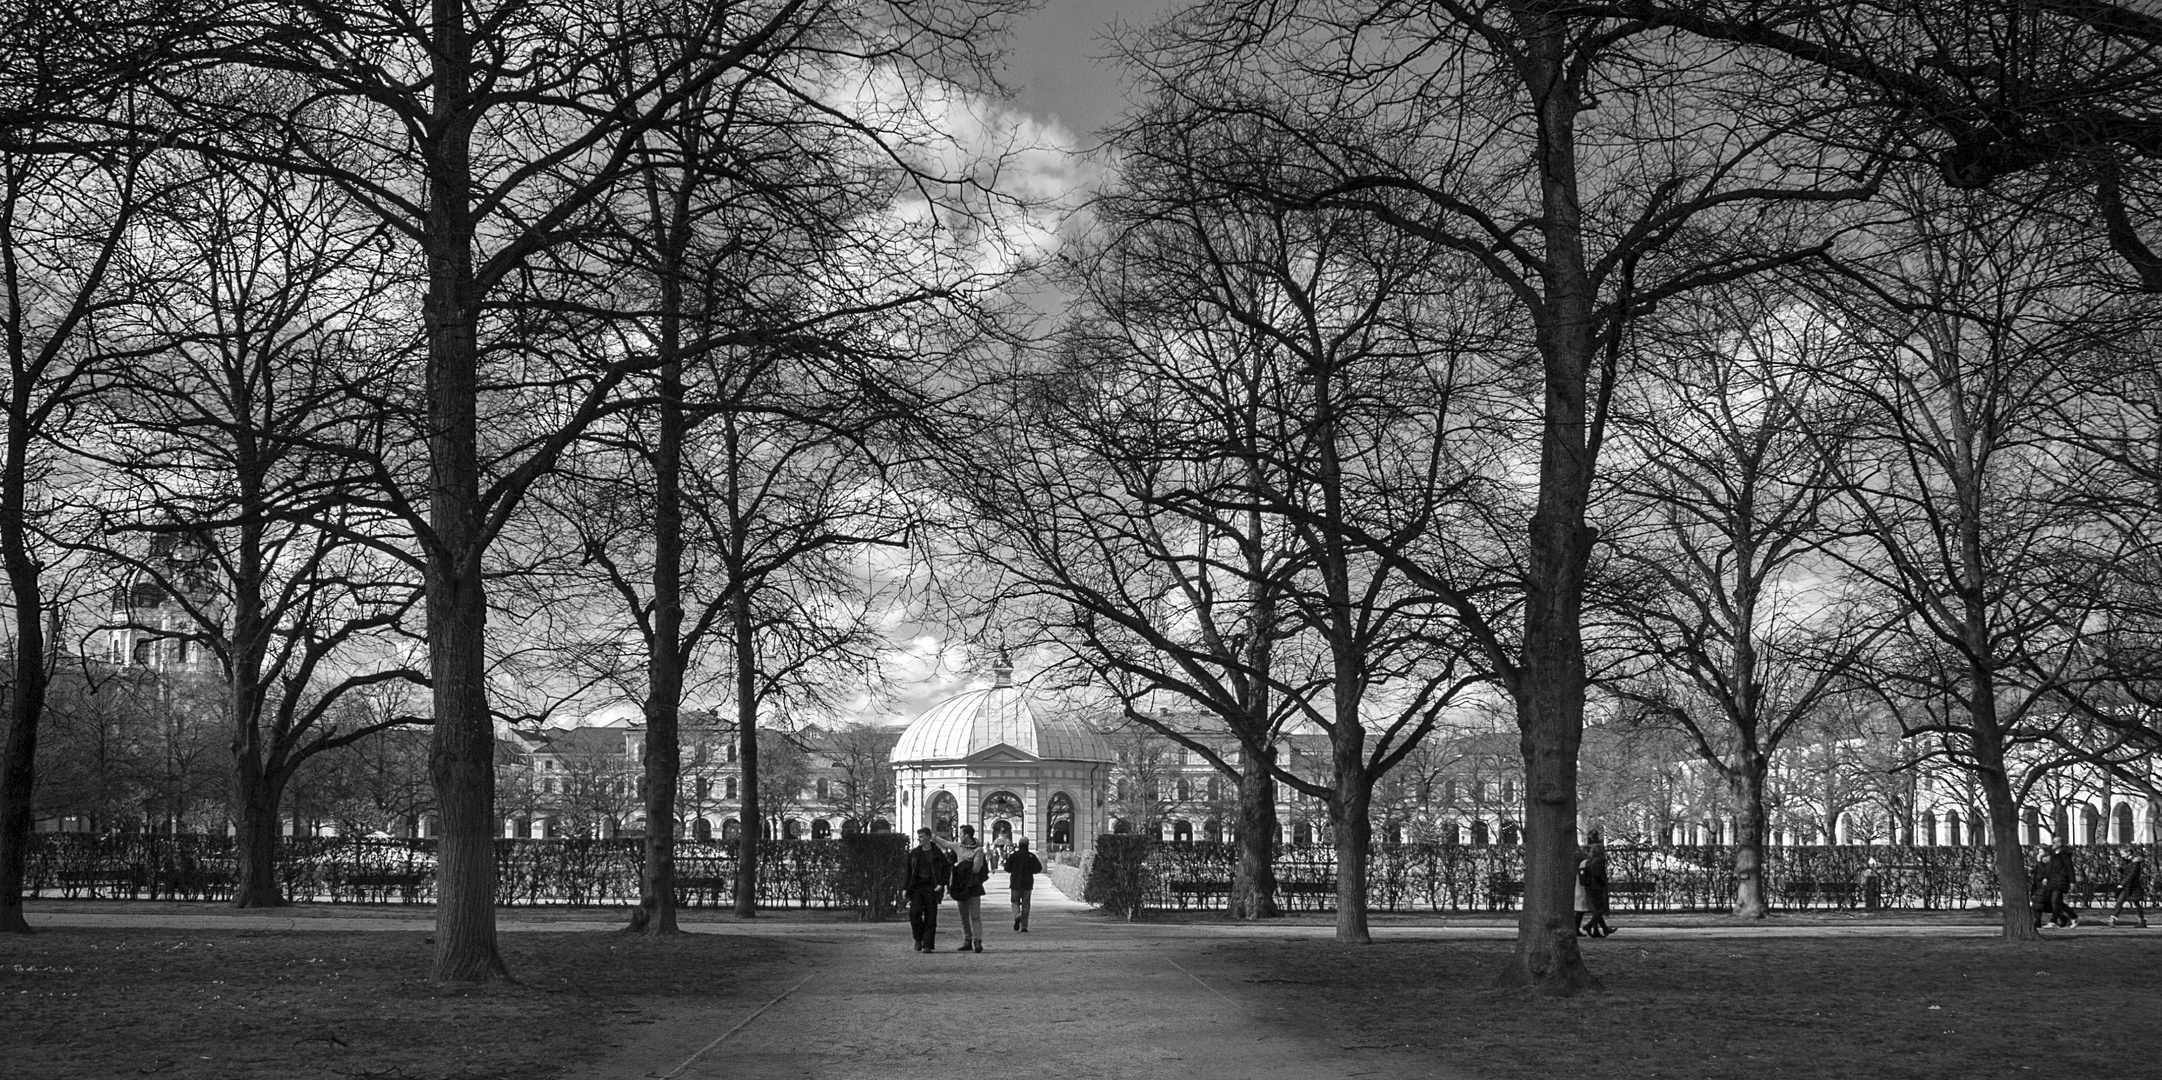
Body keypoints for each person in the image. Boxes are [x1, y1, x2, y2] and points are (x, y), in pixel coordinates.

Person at [904, 828, 951, 952]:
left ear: (929, 837)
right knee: (914, 913)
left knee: (931, 915)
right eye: (918, 836)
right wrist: (905, 888)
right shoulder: (914, 853)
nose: (919, 839)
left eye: (922, 836)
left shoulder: (937, 854)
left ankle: (928, 944)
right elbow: (908, 872)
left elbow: (946, 869)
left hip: (932, 887)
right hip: (917, 886)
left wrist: (941, 884)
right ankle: (918, 938)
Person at [1578, 833, 1613, 938]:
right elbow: (1597, 874)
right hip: (1596, 887)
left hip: (1589, 887)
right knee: (1601, 909)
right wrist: (1602, 884)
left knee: (1597, 909)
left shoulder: (1589, 861)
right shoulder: (1599, 860)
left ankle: (1598, 930)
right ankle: (1589, 925)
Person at [1004, 838, 1044, 932]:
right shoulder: (1031, 856)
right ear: (1028, 845)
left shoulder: (1014, 856)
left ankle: (1017, 915)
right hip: (1027, 883)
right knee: (1026, 905)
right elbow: (1038, 868)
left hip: (1015, 882)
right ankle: (1024, 926)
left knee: (1015, 902)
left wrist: (1013, 870)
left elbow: (1007, 868)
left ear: (1018, 844)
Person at [2036, 843, 2078, 928]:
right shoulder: (2053, 856)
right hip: (2052, 883)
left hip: (2059, 883)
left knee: (2055, 901)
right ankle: (2072, 916)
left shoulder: (2062, 856)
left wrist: (2072, 882)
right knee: (2056, 902)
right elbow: (2049, 869)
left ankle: (2054, 921)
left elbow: (2069, 869)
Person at [2110, 844, 2147, 928]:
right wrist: (2120, 869)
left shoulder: (2135, 863)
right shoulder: (2127, 862)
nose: (2121, 855)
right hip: (2127, 886)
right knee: (2120, 902)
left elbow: (2132, 875)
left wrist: (2121, 885)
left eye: (2123, 853)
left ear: (2128, 852)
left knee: (2136, 903)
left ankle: (2141, 921)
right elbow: (2126, 873)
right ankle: (2113, 919)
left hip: (2133, 886)